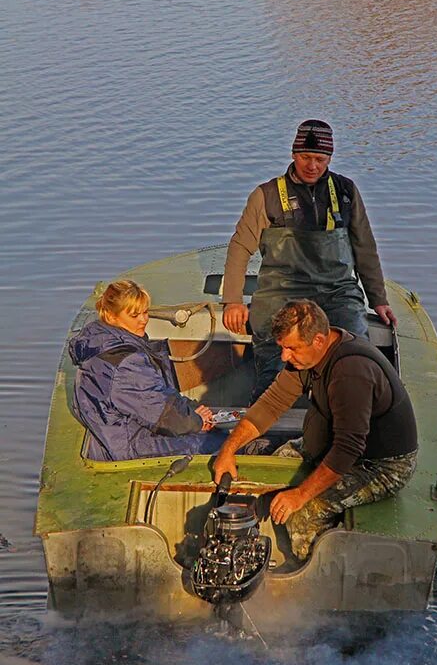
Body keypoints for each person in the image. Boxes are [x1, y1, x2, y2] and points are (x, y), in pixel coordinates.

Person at [214, 299, 417, 561]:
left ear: (319, 341)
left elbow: (347, 450)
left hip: (380, 464)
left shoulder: (351, 372)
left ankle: (313, 569)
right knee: (276, 462)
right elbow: (270, 406)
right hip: (329, 443)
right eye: (282, 348)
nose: (284, 357)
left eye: (291, 348)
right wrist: (228, 449)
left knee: (305, 511)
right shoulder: (306, 359)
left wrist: (299, 495)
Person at [222, 119, 397, 401]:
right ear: (293, 154)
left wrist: (379, 300)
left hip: (337, 292)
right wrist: (232, 300)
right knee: (276, 362)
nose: (312, 165)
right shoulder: (265, 195)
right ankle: (264, 427)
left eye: (319, 159)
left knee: (355, 354)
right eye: (305, 157)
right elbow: (240, 247)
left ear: (329, 158)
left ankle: (352, 413)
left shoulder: (346, 191)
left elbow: (364, 247)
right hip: (281, 294)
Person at [69, 279, 222, 461]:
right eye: (134, 315)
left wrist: (193, 409)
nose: (144, 320)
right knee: (223, 443)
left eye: (145, 312)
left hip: (127, 430)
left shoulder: (102, 340)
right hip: (130, 444)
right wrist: (197, 422)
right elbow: (160, 414)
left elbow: (157, 394)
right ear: (111, 317)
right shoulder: (124, 361)